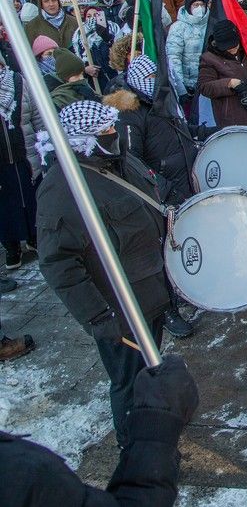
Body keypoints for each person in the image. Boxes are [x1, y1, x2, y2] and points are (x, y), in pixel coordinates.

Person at [36, 101, 171, 447]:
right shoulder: (62, 189)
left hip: (151, 294)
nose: (116, 134)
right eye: (106, 132)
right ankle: (135, 447)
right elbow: (58, 263)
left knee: (150, 372)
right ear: (83, 140)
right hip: (119, 313)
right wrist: (99, 317)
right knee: (129, 382)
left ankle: (154, 428)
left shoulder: (119, 162)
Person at [4, 353, 198, 505]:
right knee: (124, 378)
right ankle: (125, 440)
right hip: (111, 323)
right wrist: (155, 428)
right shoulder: (18, 477)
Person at [102, 55, 198, 338]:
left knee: (182, 242)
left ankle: (188, 289)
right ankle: (168, 310)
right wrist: (161, 188)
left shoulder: (160, 102)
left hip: (182, 184)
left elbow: (179, 135)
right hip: (158, 194)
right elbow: (132, 162)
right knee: (161, 252)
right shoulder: (130, 115)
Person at [197, 19, 247, 132]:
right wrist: (230, 83)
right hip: (235, 121)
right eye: (227, 47)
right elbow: (204, 86)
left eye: (234, 44)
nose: (232, 49)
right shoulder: (208, 59)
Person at [0, 58, 37, 273]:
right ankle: (11, 245)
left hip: (24, 150)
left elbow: (35, 113)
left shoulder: (17, 81)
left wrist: (44, 141)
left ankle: (33, 237)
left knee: (30, 196)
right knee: (5, 205)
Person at [165, 0, 209, 105]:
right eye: (196, 5)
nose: (199, 8)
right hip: (189, 84)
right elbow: (173, 57)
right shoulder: (178, 27)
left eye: (202, 5)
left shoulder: (210, 24)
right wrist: (180, 87)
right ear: (189, 7)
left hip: (208, 80)